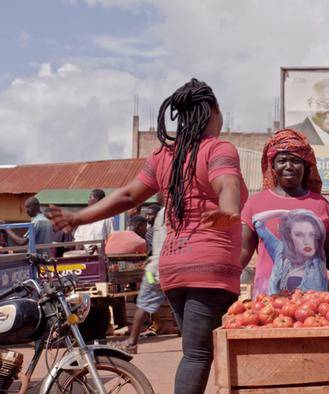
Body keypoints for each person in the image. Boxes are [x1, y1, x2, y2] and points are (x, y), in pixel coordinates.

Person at [47, 78, 247, 394]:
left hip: (173, 269)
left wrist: (78, 216)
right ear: (213, 111)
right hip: (209, 266)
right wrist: (228, 209)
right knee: (197, 355)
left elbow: (127, 196)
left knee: (196, 350)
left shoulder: (163, 156)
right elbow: (228, 184)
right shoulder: (219, 149)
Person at [240, 129, 329, 297]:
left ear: (306, 166)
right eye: (282, 161)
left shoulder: (320, 205)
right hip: (268, 306)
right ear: (273, 166)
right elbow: (242, 251)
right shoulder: (255, 204)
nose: (288, 166)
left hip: (315, 306)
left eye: (296, 161)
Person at [112, 206, 166, 353]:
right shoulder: (149, 232)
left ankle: (154, 325)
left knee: (146, 297)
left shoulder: (148, 231)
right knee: (149, 294)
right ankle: (157, 323)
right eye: (147, 215)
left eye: (151, 215)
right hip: (153, 271)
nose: (149, 217)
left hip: (152, 271)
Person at [70, 189, 114, 255]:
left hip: (101, 257)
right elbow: (78, 238)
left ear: (98, 200)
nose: (88, 200)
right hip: (85, 257)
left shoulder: (107, 217)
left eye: (90, 197)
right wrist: (79, 247)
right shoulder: (84, 217)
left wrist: (97, 247)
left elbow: (111, 238)